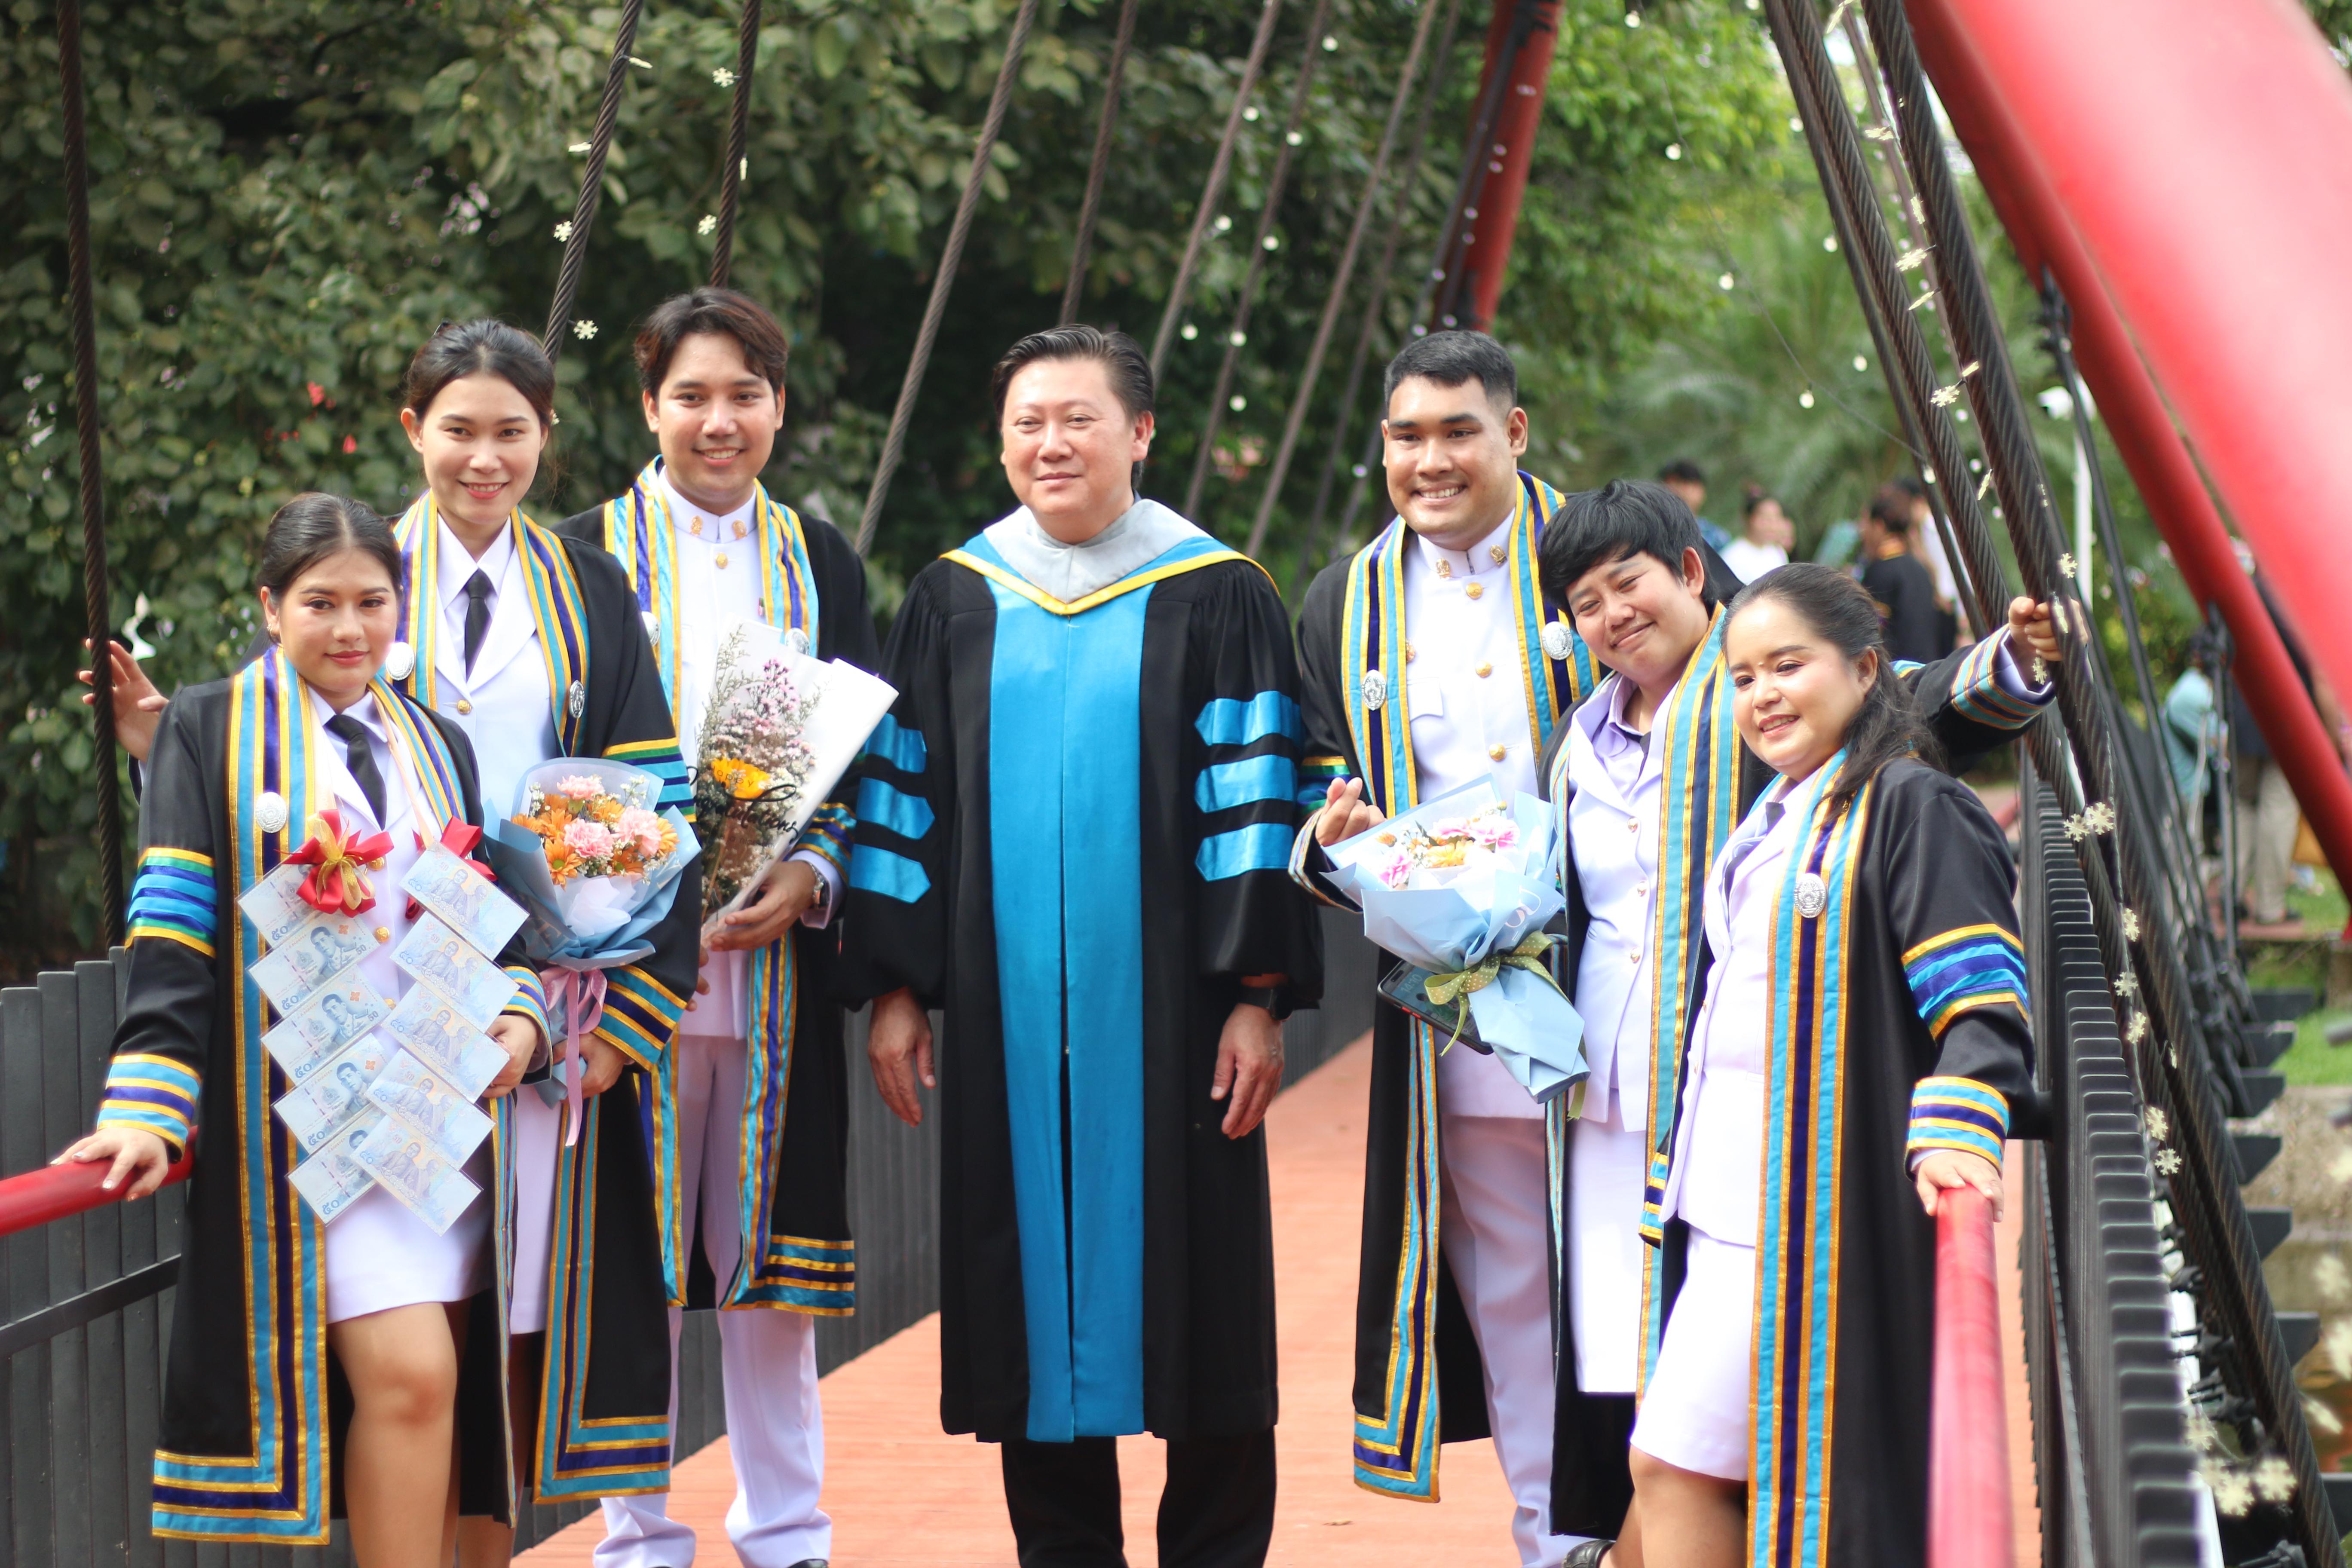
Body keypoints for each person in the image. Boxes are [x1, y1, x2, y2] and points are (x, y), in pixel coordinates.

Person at [844, 325, 1320, 1568]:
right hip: (1004, 1026)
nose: (1050, 443)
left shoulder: (1219, 590)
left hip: (1177, 1025)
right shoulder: (957, 594)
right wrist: (897, 985)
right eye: (1026, 423)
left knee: (1205, 1309)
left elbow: (1259, 803)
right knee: (1025, 1308)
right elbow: (908, 798)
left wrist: (1258, 995)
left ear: (1140, 433)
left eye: (1079, 418)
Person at [1528, 484, 2055, 1568]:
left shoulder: (1897, 801)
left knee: (1700, 1465)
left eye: (1625, 581)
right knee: (1664, 1453)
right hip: (1676, 1156)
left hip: (1805, 1179)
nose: (1759, 695)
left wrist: (2012, 658)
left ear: (1686, 572)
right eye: (1585, 600)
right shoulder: (1751, 798)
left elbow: (1977, 983)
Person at [55, 495, 549, 1561]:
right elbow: (175, 922)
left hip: (436, 1119)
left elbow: (483, 921)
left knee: (451, 1404)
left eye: (372, 601)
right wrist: (148, 1104)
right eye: (319, 602)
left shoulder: (436, 738)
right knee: (414, 1375)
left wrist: (518, 1021)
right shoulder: (208, 726)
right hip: (310, 1132)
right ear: (270, 605)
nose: (349, 629)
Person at [556, 288, 879, 1568]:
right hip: (618, 973)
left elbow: (877, 766)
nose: (719, 419)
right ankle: (636, 1534)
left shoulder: (824, 563)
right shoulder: (575, 556)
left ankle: (788, 1531)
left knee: (773, 1278)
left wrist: (819, 877)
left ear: (779, 406)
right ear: (648, 406)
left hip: (777, 967)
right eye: (691, 394)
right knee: (627, 1259)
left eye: (745, 392)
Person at [1292, 330, 1608, 1565]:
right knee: (1512, 1282)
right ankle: (1553, 1539)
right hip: (1457, 1008)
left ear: (1514, 434)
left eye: (1458, 431)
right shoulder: (1343, 598)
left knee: (1633, 1263)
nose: (1432, 460)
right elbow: (1317, 775)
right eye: (1408, 436)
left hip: (1620, 979)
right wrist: (1334, 839)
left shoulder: (1602, 557)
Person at [390, 320, 700, 1555]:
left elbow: (651, 798)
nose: (484, 457)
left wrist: (628, 1021)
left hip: (558, 1002)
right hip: (393, 981)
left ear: (547, 437)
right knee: (408, 1312)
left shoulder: (585, 586)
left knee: (529, 1308)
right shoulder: (363, 572)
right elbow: (288, 750)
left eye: (510, 430)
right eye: (458, 429)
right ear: (413, 431)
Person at [1855, 488, 1948, 664]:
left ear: (1879, 526)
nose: (1862, 531)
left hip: (1900, 675)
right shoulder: (1920, 568)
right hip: (1928, 669)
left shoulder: (1880, 571)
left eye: (1866, 524)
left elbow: (1874, 632)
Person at [2162, 628, 2224, 850]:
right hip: (2188, 788)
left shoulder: (2186, 687)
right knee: (2186, 852)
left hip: (2182, 785)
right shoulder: (2197, 694)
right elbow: (2221, 743)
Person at [1893, 475, 1968, 637]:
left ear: (1918, 503)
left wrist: (1963, 617)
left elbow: (1952, 568)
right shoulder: (1916, 533)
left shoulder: (1935, 528)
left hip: (1950, 607)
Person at [1717, 487, 1791, 584]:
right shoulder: (1733, 556)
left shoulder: (1778, 552)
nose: (1772, 526)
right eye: (1766, 518)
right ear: (1749, 518)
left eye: (1776, 519)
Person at [1655, 459, 1729, 553]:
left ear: (1701, 491)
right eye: (1673, 483)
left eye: (1685, 483)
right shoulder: (1652, 528)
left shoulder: (1716, 538)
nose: (1678, 490)